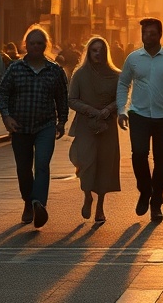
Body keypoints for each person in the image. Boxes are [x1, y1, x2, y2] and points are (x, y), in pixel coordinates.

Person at [0, 25, 69, 229]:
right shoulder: (15, 68)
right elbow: (2, 93)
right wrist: (6, 117)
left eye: (40, 43)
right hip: (20, 127)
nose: (36, 46)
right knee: (24, 168)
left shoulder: (54, 70)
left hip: (45, 126)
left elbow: (62, 98)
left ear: (46, 45)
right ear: (25, 45)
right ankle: (28, 202)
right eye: (32, 43)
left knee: (42, 164)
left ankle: (39, 204)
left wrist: (61, 121)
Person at [116, 17, 163, 221]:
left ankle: (156, 202)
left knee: (161, 159)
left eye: (152, 33)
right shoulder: (133, 58)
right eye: (145, 33)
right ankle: (145, 190)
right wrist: (122, 109)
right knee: (138, 154)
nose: (147, 37)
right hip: (138, 114)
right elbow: (123, 83)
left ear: (160, 35)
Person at [68, 36, 121, 223]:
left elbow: (121, 98)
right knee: (86, 162)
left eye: (101, 50)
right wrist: (90, 110)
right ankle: (87, 195)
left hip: (107, 126)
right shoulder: (80, 74)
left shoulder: (116, 75)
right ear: (88, 52)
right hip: (85, 126)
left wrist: (108, 110)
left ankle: (100, 206)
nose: (98, 54)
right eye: (94, 50)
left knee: (105, 165)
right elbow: (72, 99)